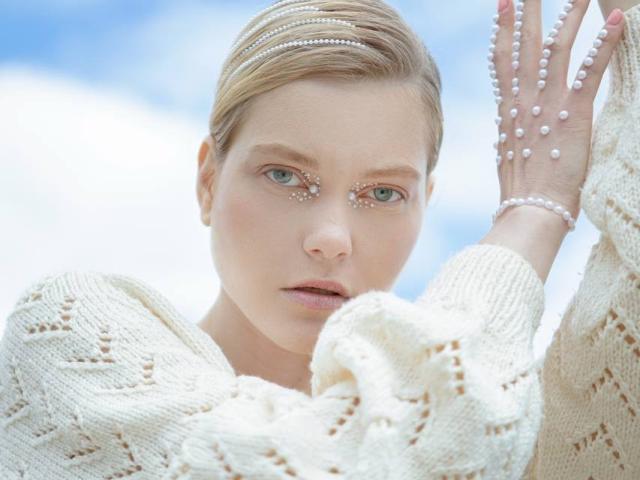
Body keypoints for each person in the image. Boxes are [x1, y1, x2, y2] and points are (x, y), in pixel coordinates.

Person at [0, 0, 637, 478]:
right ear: (208, 181)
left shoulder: (489, 415)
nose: (331, 239)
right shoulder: (64, 340)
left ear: (425, 204)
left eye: (382, 193)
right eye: (285, 176)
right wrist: (532, 214)